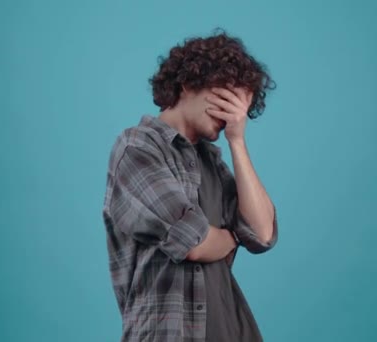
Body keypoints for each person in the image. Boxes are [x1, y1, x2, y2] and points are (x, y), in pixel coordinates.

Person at [102, 29, 279, 341]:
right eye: (226, 99)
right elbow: (192, 243)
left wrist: (237, 141)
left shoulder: (213, 162)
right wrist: (233, 237)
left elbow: (262, 233)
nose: (232, 115)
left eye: (241, 109)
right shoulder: (137, 149)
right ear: (188, 83)